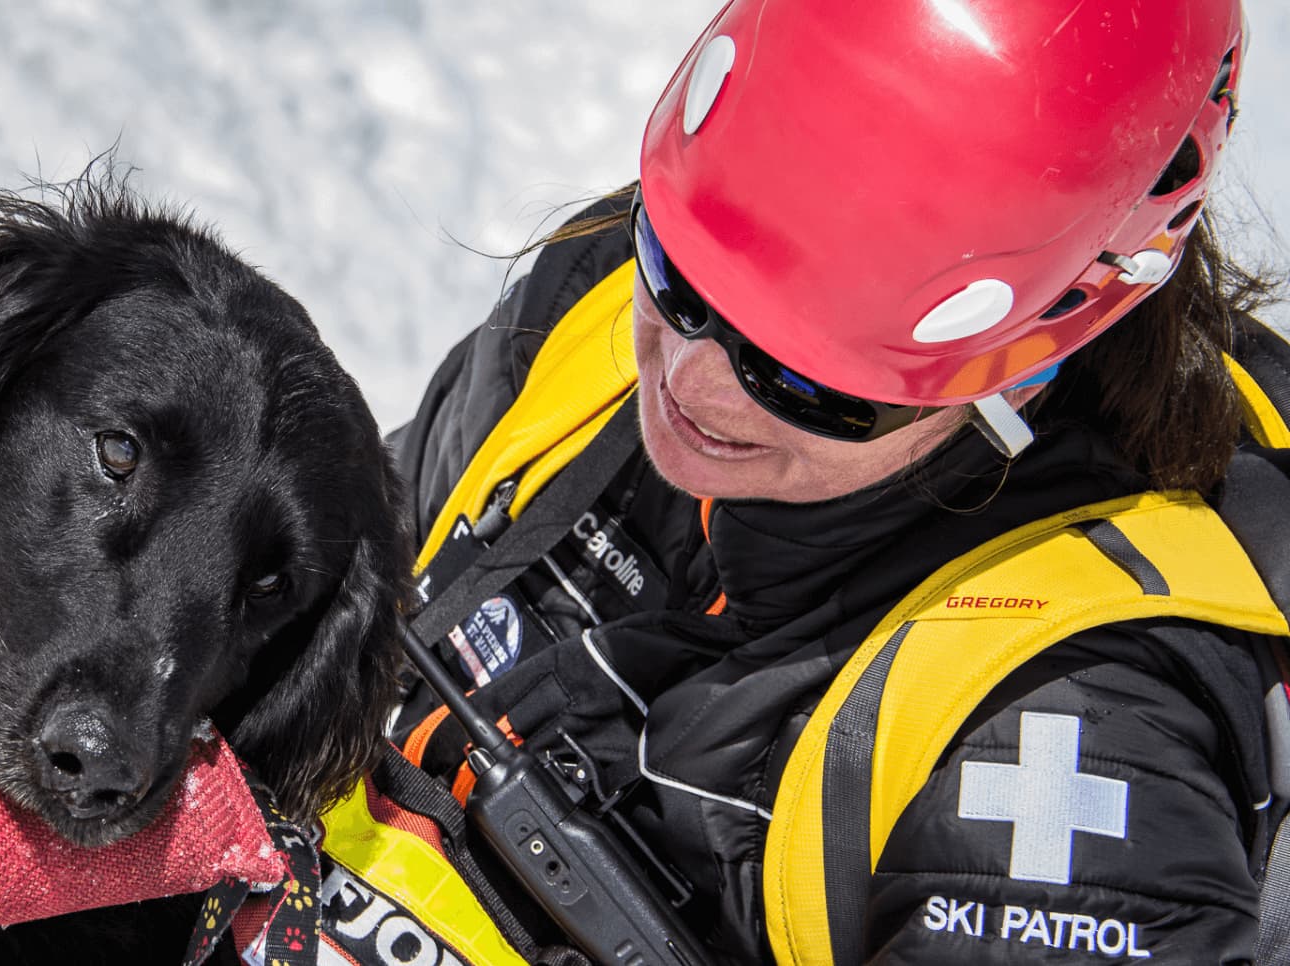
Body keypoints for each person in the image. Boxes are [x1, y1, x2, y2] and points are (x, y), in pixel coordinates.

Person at [340, 0, 1290, 963]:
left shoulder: (1065, 735)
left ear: (1021, 369)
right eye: (677, 276)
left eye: (806, 378)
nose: (687, 381)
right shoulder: (590, 314)